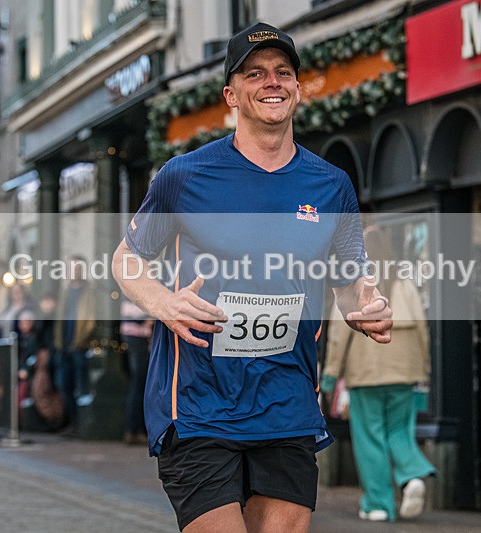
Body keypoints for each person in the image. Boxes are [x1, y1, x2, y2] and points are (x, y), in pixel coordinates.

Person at [111, 22, 393, 532]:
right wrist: (163, 303)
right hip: (199, 402)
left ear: (298, 89)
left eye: (283, 72)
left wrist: (367, 308)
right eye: (255, 73)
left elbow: (351, 283)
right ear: (231, 95)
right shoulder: (185, 176)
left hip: (286, 400)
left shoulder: (331, 186)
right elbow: (127, 259)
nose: (272, 82)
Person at [321, 226, 436, 522]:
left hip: (366, 372)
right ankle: (412, 476)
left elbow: (338, 335)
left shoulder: (353, 285)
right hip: (404, 371)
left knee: (370, 437)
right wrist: (424, 367)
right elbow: (422, 328)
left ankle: (378, 504)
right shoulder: (404, 283)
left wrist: (330, 377)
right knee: (399, 429)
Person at [53, 256, 97, 430]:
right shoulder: (65, 292)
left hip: (80, 346)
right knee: (64, 384)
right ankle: (72, 420)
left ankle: (82, 423)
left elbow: (91, 319)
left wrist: (83, 339)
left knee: (81, 386)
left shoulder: (89, 292)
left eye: (77, 268)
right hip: (64, 345)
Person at [120, 298, 153, 445]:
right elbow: (134, 312)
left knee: (139, 383)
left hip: (134, 334)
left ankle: (134, 429)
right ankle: (134, 429)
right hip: (138, 335)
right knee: (140, 383)